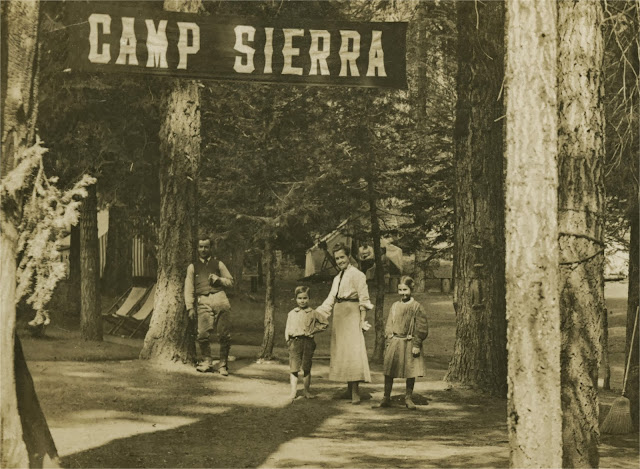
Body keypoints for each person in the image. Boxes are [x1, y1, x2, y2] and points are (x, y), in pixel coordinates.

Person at [317, 242, 373, 405]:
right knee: (343, 352)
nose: (340, 260)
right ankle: (349, 390)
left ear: (349, 257)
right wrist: (318, 314)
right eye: (337, 258)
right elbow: (330, 299)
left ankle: (356, 392)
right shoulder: (337, 277)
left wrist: (362, 320)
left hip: (352, 314)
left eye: (342, 257)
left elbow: (364, 299)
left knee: (353, 352)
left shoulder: (358, 275)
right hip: (340, 315)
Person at [373, 275, 429, 410]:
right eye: (400, 290)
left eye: (405, 290)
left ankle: (408, 397)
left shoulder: (417, 307)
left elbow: (421, 327)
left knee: (410, 371)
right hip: (395, 342)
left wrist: (416, 344)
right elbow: (389, 324)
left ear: (411, 289)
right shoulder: (395, 306)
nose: (403, 293)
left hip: (409, 343)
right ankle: (386, 396)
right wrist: (389, 338)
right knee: (389, 370)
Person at [184, 236, 234, 375]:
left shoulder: (218, 264)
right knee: (202, 334)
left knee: (224, 334)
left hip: (220, 299)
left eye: (206, 247)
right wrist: (190, 307)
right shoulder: (192, 267)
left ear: (210, 248)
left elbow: (231, 282)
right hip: (202, 300)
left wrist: (219, 280)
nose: (203, 250)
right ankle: (207, 361)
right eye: (201, 247)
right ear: (197, 248)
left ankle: (223, 364)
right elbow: (188, 288)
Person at [284, 286, 329, 401]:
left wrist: (314, 330)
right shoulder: (292, 313)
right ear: (295, 299)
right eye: (299, 298)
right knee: (294, 368)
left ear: (309, 298)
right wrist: (288, 341)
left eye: (305, 298)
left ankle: (306, 391)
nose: (302, 300)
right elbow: (287, 327)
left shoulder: (313, 313)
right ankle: (293, 392)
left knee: (306, 367)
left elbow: (325, 323)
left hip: (308, 342)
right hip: (295, 342)